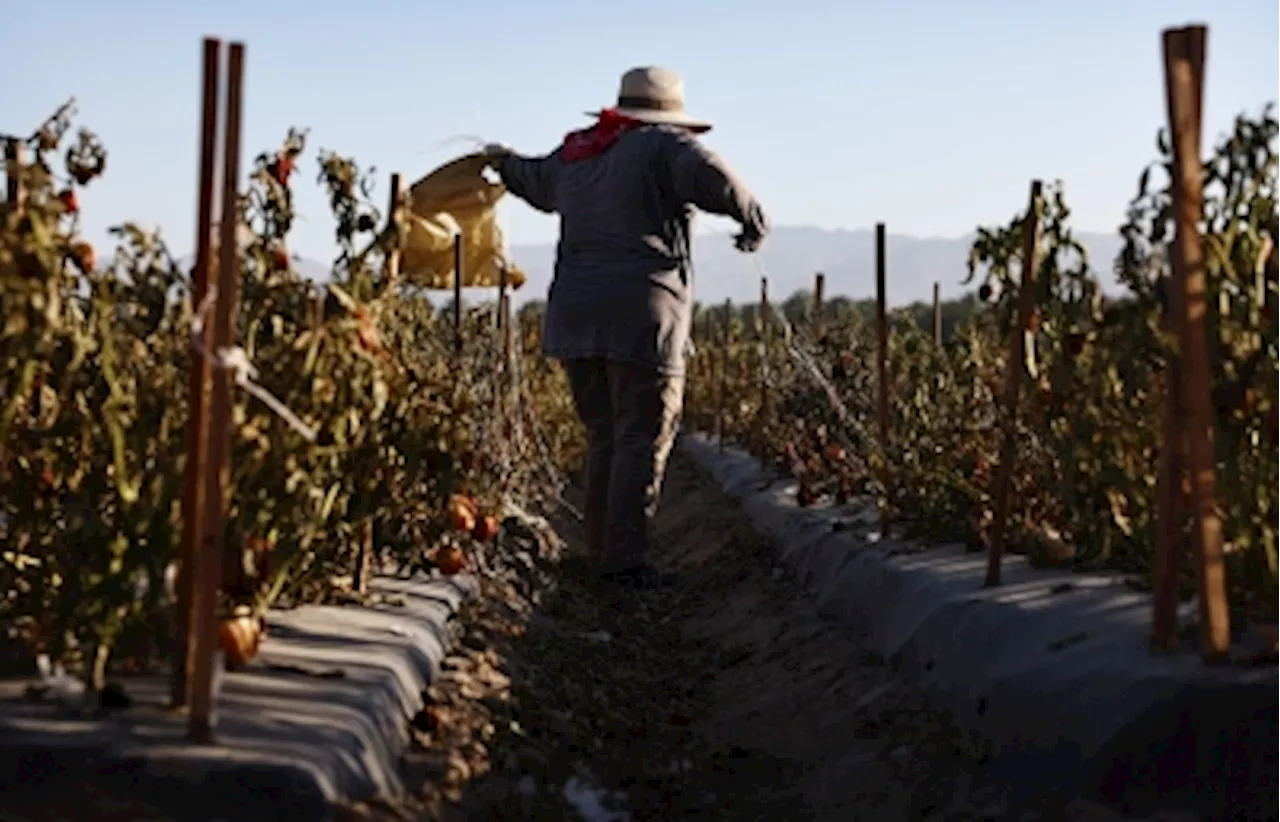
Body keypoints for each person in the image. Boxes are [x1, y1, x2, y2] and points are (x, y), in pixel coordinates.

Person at [484, 66, 769, 592]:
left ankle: (600, 554)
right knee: (640, 435)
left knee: (604, 435)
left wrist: (501, 161)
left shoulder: (578, 152)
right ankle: (623, 567)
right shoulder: (665, 146)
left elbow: (530, 180)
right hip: (642, 314)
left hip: (575, 315)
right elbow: (715, 177)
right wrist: (752, 218)